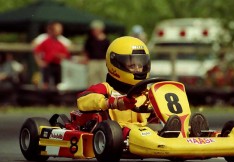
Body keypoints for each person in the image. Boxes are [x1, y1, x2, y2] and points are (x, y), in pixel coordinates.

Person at [76, 36, 207, 138]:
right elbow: (82, 100)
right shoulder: (106, 88)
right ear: (115, 63)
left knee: (157, 123)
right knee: (136, 132)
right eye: (132, 65)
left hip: (145, 130)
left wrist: (158, 111)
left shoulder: (147, 92)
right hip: (118, 132)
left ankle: (186, 131)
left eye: (141, 65)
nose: (138, 69)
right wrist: (113, 102)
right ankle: (167, 135)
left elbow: (153, 117)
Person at [33, 21, 71, 90]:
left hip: (57, 64)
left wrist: (59, 56)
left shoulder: (60, 43)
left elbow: (66, 55)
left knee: (57, 83)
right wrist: (39, 62)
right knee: (45, 82)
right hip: (48, 64)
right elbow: (36, 51)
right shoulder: (46, 41)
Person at [82, 20, 111, 86]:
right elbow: (86, 50)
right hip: (92, 61)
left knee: (104, 78)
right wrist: (85, 59)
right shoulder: (89, 40)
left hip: (103, 62)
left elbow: (108, 51)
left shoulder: (106, 40)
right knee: (91, 78)